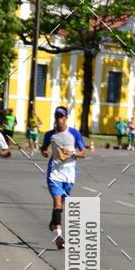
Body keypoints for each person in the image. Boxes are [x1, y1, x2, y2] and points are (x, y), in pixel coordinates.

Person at [41, 106, 86, 249]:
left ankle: (54, 221)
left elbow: (83, 152)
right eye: (57, 117)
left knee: (62, 206)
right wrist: (45, 153)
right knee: (58, 204)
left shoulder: (74, 134)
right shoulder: (50, 135)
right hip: (54, 173)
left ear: (66, 118)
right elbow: (43, 148)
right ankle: (59, 236)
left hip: (69, 174)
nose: (58, 120)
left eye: (61, 117)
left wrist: (71, 153)